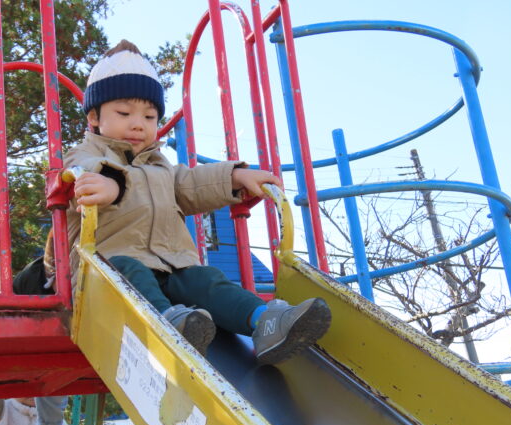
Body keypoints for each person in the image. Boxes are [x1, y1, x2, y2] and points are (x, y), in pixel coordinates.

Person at [46, 39, 332, 365]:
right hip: (104, 271)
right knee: (129, 271)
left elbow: (192, 183)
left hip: (170, 266)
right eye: (124, 113)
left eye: (150, 116)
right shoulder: (88, 154)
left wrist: (235, 178)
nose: (139, 123)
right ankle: (166, 325)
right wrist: (110, 184)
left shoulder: (160, 167)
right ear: (94, 117)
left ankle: (263, 321)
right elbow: (80, 172)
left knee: (205, 279)